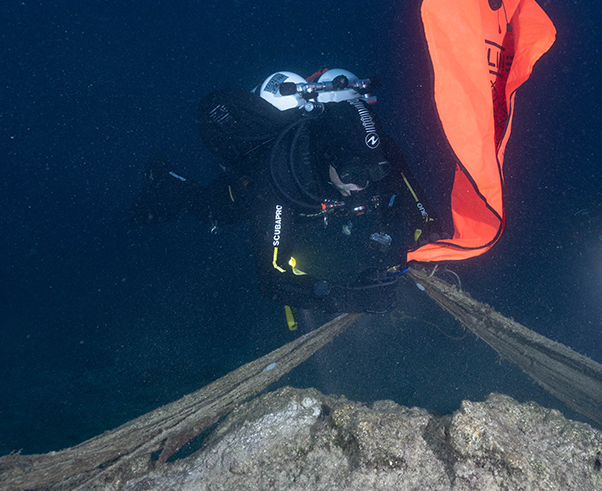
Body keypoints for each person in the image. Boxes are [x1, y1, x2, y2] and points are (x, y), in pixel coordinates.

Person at [129, 68, 446, 314]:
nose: (362, 185)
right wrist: (350, 299)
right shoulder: (280, 177)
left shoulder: (380, 153)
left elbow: (417, 208)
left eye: (373, 172)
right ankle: (163, 178)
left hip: (317, 203)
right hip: (261, 191)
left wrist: (423, 245)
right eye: (351, 174)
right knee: (208, 210)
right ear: (327, 160)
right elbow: (272, 277)